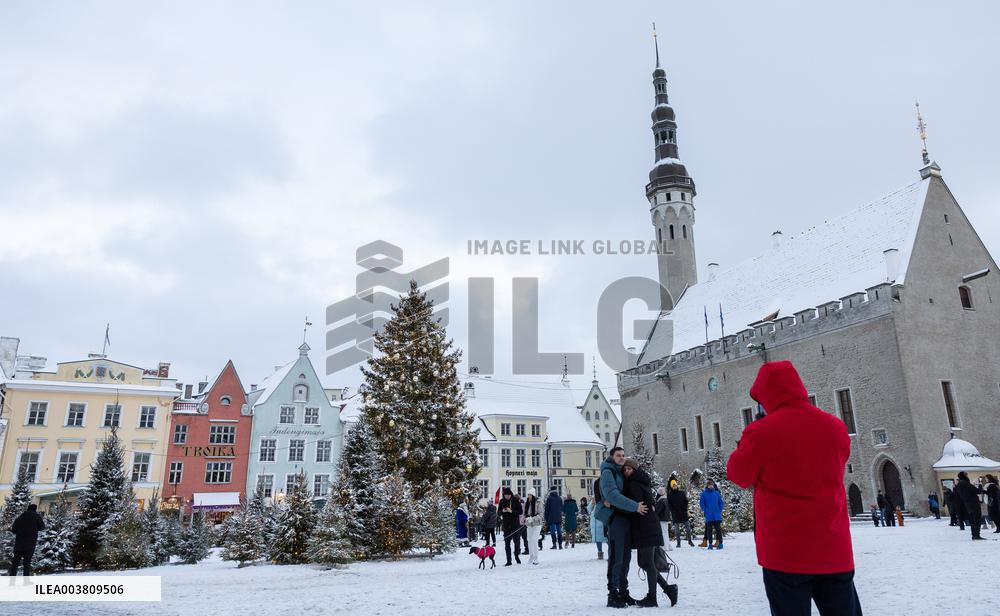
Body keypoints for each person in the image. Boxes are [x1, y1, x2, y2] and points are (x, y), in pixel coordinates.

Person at [727, 361, 862, 616]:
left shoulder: (762, 431)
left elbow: (738, 474)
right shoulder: (835, 426)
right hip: (833, 547)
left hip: (785, 551)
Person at [594, 446, 648, 608]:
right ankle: (613, 594)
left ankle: (623, 592)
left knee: (625, 557)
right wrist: (634, 506)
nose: (621, 458)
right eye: (618, 455)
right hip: (616, 518)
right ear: (611, 457)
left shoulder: (621, 472)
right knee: (617, 556)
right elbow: (612, 495)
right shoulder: (608, 473)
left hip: (625, 517)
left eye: (623, 455)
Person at [622, 458, 678, 608]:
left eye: (629, 469)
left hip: (645, 527)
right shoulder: (641, 481)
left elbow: (636, 505)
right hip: (647, 526)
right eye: (625, 469)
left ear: (634, 469)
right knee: (644, 563)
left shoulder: (633, 484)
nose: (627, 471)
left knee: (648, 563)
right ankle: (668, 589)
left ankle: (652, 597)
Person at [8, 503, 45, 577]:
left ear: (28, 508)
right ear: (35, 509)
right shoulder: (37, 516)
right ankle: (26, 581)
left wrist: (20, 533)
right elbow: (42, 527)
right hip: (30, 544)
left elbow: (14, 529)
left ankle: (11, 582)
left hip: (19, 543)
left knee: (15, 562)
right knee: (27, 563)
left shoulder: (21, 516)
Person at [954, 471, 985, 541]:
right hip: (973, 503)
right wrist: (980, 484)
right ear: (964, 476)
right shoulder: (965, 483)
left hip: (967, 504)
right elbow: (978, 491)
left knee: (972, 520)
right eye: (966, 475)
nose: (967, 476)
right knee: (977, 519)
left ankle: (974, 535)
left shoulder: (959, 485)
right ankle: (976, 535)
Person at [498, 488, 522, 566]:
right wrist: (502, 511)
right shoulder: (502, 501)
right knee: (507, 543)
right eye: (505, 495)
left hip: (515, 525)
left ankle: (516, 556)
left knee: (517, 542)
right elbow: (498, 512)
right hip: (506, 525)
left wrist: (511, 511)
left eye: (508, 495)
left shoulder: (515, 500)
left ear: (511, 494)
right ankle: (509, 560)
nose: (507, 497)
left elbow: (520, 511)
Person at [699, 479, 725, 550]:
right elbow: (702, 504)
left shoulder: (716, 493)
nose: (711, 486)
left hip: (717, 515)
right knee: (709, 530)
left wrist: (719, 510)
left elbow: (721, 503)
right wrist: (706, 510)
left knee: (718, 530)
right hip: (709, 515)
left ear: (713, 485)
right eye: (709, 485)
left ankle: (720, 543)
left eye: (712, 485)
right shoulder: (704, 494)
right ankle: (710, 544)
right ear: (707, 486)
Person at [667, 479, 694, 547]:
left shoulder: (681, 493)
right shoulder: (669, 495)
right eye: (673, 486)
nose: (674, 487)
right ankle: (678, 543)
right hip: (675, 514)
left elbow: (686, 502)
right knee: (677, 531)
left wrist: (684, 509)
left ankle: (690, 541)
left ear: (677, 485)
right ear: (671, 487)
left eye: (675, 485)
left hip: (683, 513)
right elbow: (669, 505)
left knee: (688, 529)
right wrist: (673, 511)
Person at [524, 488, 542, 564]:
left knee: (534, 540)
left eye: (530, 495)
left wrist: (533, 518)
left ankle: (536, 557)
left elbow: (541, 515)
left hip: (537, 524)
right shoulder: (527, 503)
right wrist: (526, 519)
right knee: (529, 540)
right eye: (528, 494)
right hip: (529, 525)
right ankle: (531, 556)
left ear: (533, 495)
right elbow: (525, 513)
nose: (529, 496)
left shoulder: (539, 502)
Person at [653, 486, 674, 552]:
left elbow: (658, 510)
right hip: (666, 518)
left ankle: (665, 547)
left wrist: (654, 509)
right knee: (666, 532)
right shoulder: (666, 499)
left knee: (663, 533)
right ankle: (668, 546)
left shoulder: (661, 500)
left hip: (661, 519)